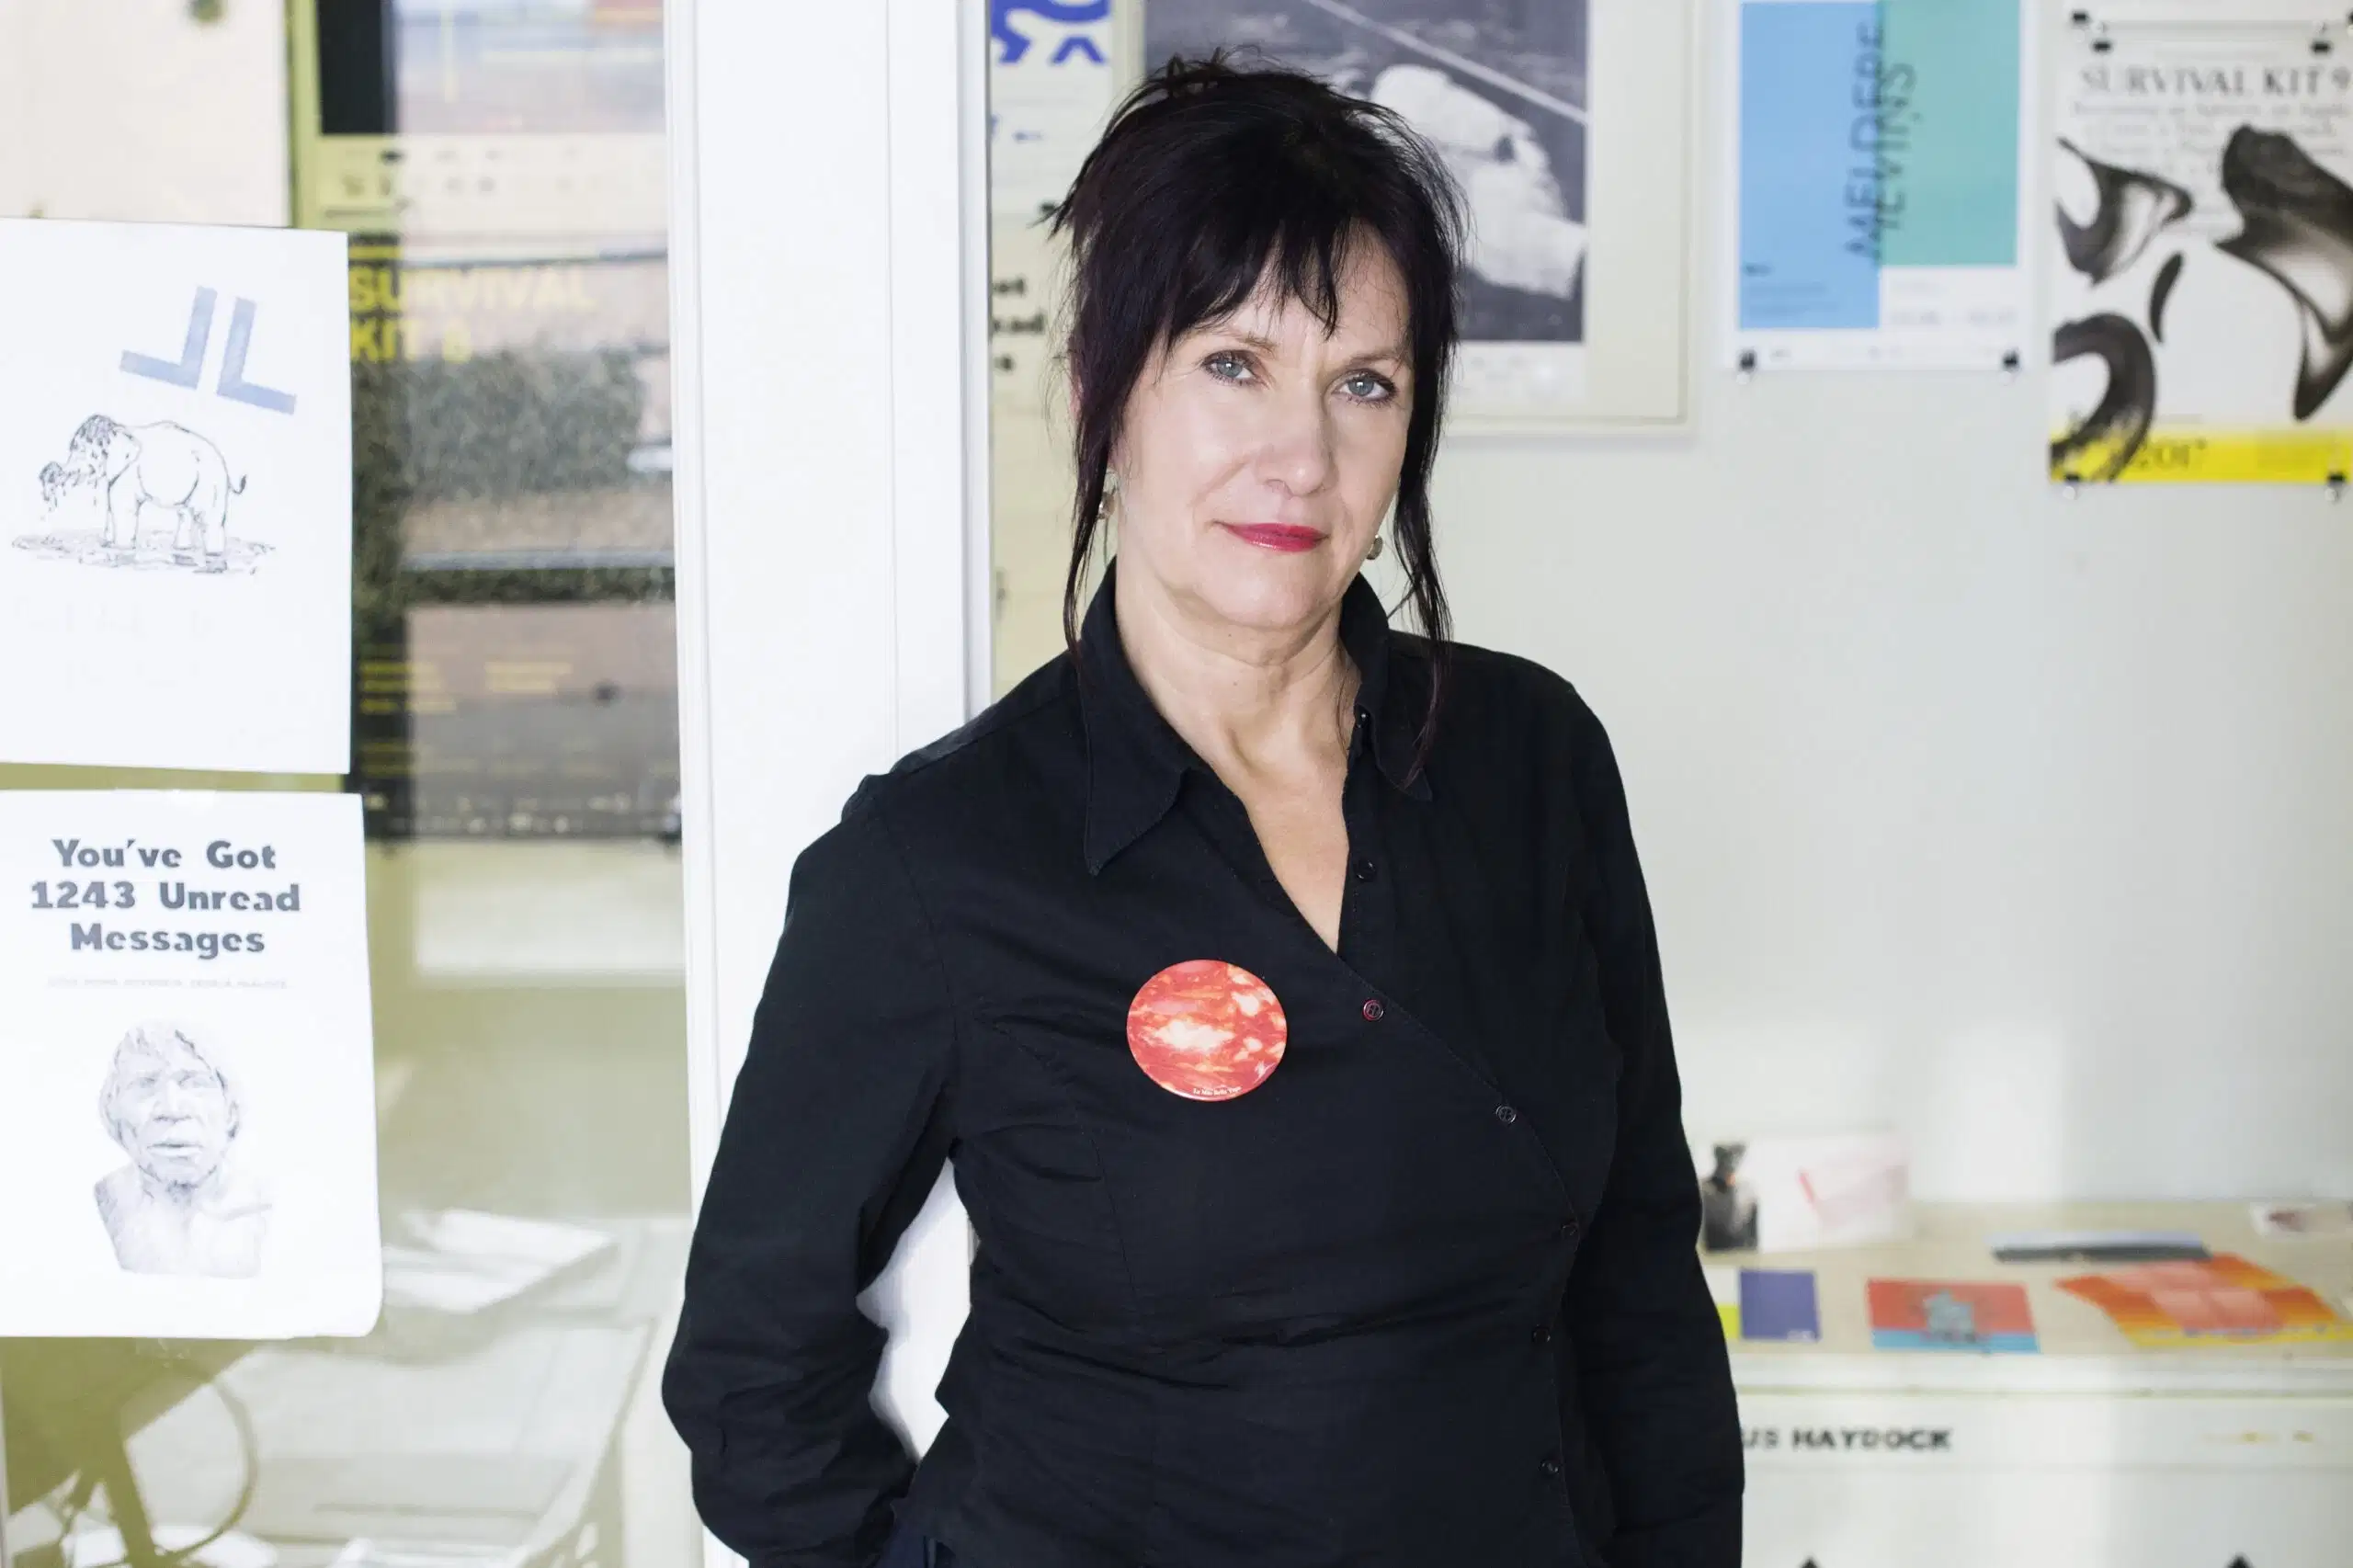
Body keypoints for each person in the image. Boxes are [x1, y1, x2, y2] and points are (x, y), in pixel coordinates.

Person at [664, 55, 1740, 1568]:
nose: (1301, 458)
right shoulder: (939, 862)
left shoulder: (1530, 762)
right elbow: (750, 1372)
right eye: (1234, 363)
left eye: (1363, 384)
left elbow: (1638, 1274)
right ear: (1108, 397)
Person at [93, 1020, 271, 1278]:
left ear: (230, 1110)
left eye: (195, 1083)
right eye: (144, 1084)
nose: (172, 1109)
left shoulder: (263, 1204)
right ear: (113, 1109)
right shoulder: (108, 1201)